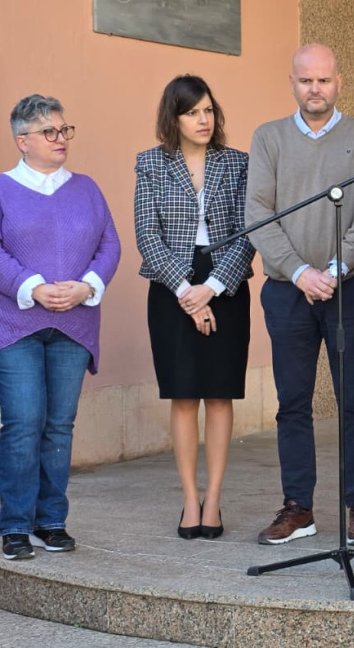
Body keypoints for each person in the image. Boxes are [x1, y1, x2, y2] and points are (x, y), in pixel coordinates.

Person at [246, 44, 354, 546]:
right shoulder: (269, 138)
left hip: (351, 289)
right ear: (292, 83)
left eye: (323, 80)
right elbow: (258, 214)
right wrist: (300, 271)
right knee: (292, 404)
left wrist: (335, 269)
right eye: (306, 80)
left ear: (339, 83)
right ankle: (298, 508)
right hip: (288, 292)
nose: (315, 89)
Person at [0, 94, 121, 560]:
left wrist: (87, 286)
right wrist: (32, 286)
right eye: (49, 131)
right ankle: (16, 525)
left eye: (63, 130)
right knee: (24, 421)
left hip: (74, 324)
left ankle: (50, 520)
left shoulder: (87, 188)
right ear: (23, 141)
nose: (60, 139)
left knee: (59, 425)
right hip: (11, 324)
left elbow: (110, 245)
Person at [134, 75, 255, 540]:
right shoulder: (151, 163)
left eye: (208, 110)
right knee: (183, 396)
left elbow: (248, 232)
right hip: (172, 286)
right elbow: (147, 236)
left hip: (226, 284)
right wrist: (189, 293)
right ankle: (189, 500)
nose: (203, 120)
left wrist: (213, 288)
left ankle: (214, 500)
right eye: (192, 112)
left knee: (220, 395)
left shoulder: (237, 163)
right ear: (174, 118)